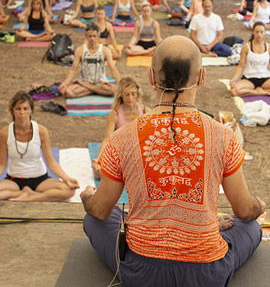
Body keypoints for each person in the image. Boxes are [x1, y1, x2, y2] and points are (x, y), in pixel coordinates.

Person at [81, 35, 265, 287]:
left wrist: (86, 198)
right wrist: (260, 206)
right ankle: (209, 223)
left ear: (151, 78)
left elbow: (99, 210)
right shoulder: (224, 136)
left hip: (141, 271)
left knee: (94, 217)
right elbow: (245, 210)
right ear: (201, 77)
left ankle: (207, 222)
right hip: (207, 274)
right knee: (251, 226)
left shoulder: (122, 138)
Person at [0, 91, 79, 201]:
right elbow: (2, 165)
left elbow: (51, 162)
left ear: (31, 110)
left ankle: (27, 197)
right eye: (18, 109)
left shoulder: (41, 131)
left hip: (39, 179)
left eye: (25, 108)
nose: (22, 112)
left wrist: (67, 178)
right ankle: (24, 194)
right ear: (13, 111)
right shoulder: (4, 133)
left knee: (69, 190)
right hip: (14, 180)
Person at [92, 76, 151, 178]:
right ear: (121, 96)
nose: (130, 98)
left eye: (133, 94)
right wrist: (99, 159)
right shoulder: (115, 113)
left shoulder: (146, 111)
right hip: (121, 152)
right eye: (126, 94)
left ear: (137, 94)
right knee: (100, 173)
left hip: (139, 152)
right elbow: (107, 138)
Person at [59, 22, 120, 98]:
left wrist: (120, 84)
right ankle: (96, 90)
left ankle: (89, 88)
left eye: (94, 36)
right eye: (90, 36)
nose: (92, 39)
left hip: (100, 83)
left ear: (98, 36)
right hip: (85, 82)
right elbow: (73, 69)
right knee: (68, 92)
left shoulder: (105, 50)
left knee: (115, 89)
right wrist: (65, 83)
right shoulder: (80, 50)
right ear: (86, 37)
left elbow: (113, 69)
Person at [230, 22, 270, 96]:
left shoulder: (268, 47)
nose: (259, 34)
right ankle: (259, 92)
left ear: (265, 33)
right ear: (253, 32)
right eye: (257, 32)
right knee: (233, 90)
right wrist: (233, 79)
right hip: (249, 79)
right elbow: (240, 66)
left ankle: (256, 91)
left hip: (265, 78)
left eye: (261, 32)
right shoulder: (246, 46)